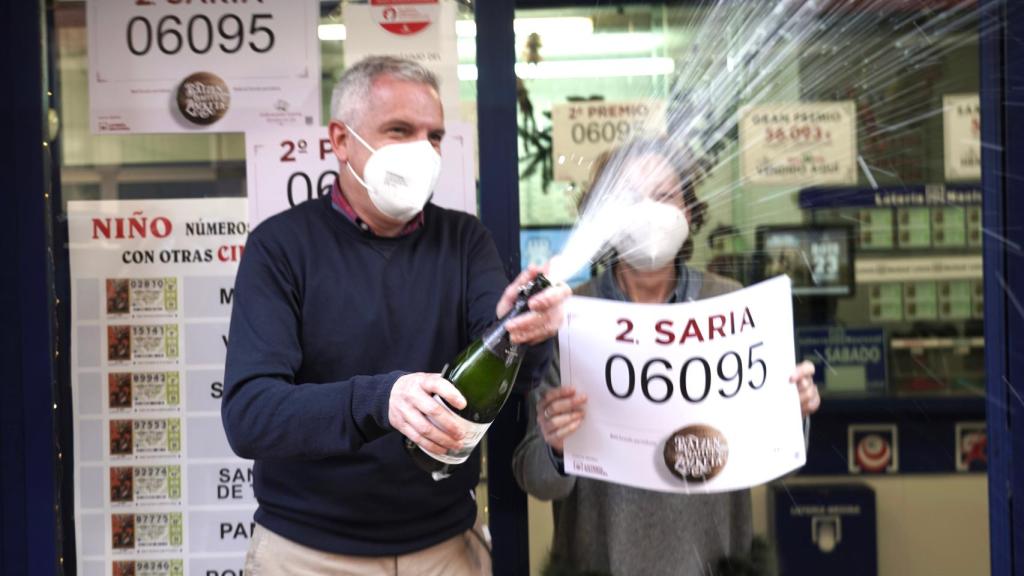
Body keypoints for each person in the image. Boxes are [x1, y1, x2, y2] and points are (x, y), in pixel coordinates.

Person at [222, 56, 570, 575]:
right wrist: (381, 400)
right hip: (309, 555)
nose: (423, 151)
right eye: (400, 130)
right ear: (341, 141)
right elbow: (250, 415)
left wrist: (523, 333)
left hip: (444, 549)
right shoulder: (280, 247)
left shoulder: (464, 240)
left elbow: (508, 383)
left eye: (434, 136)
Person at [512, 140, 820, 576]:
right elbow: (537, 480)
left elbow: (778, 465)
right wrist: (556, 445)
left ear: (688, 212)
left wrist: (791, 414)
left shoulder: (732, 307)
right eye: (629, 200)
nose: (648, 213)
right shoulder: (567, 319)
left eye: (664, 196)